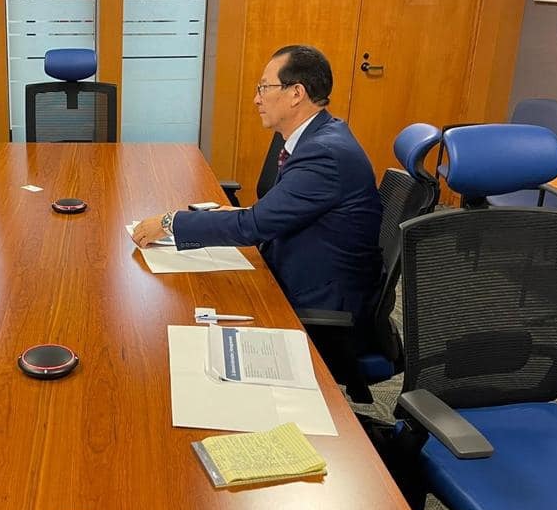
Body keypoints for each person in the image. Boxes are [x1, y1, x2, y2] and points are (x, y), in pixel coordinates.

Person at [133, 45, 383, 325]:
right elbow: (282, 212)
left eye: (265, 88)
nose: (256, 99)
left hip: (318, 304)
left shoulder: (323, 154)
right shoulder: (318, 137)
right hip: (291, 269)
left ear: (296, 93)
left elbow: (252, 227)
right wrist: (242, 213)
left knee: (175, 311)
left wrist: (170, 222)